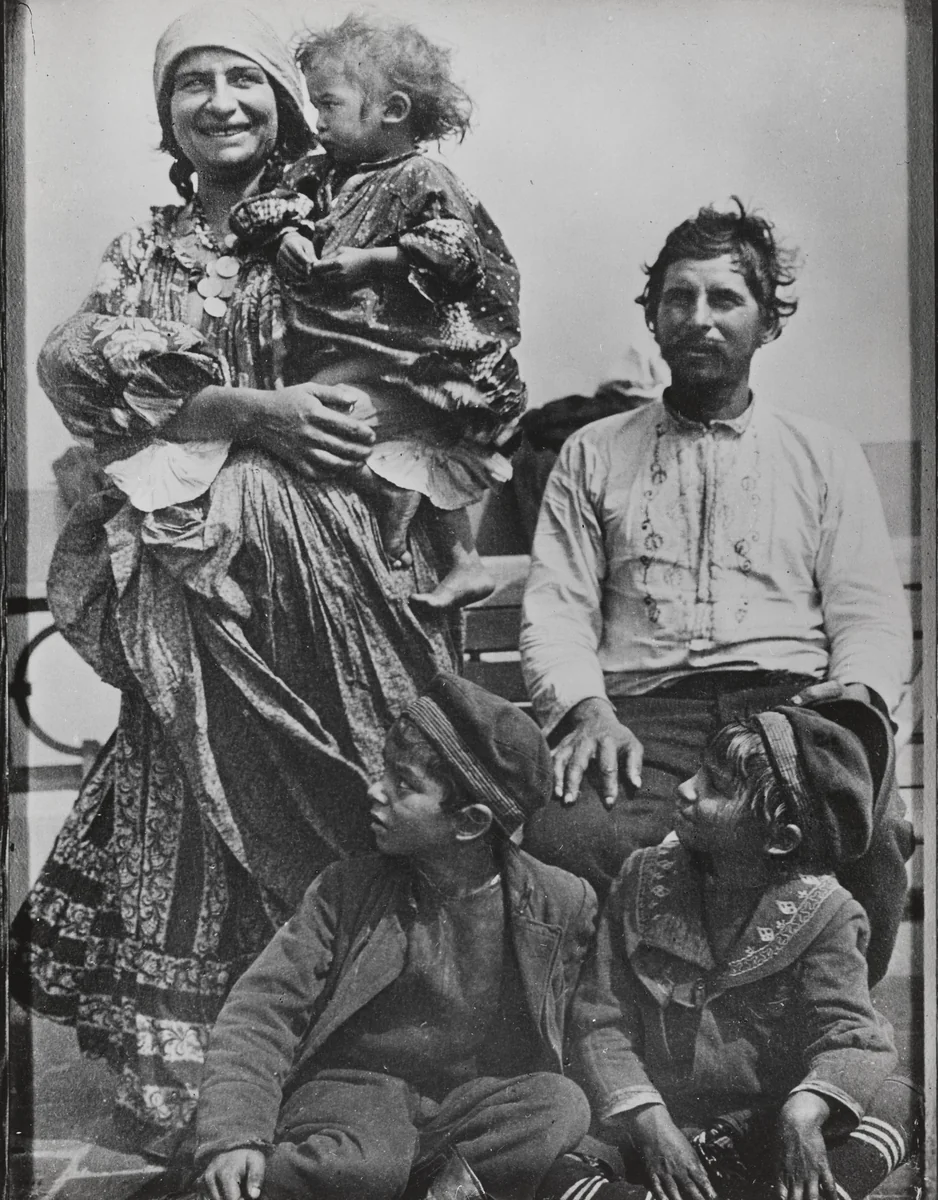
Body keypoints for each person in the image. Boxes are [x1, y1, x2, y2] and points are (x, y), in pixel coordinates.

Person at [10, 6, 459, 1153]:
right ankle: (200, 1085)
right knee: (190, 800)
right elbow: (81, 372)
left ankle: (353, 1065)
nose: (220, 102)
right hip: (185, 580)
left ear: (285, 101)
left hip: (324, 577)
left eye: (243, 79)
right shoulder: (144, 253)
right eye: (192, 83)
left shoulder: (343, 217)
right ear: (167, 115)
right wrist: (248, 410)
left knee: (343, 789)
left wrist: (310, 423)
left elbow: (424, 369)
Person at [519, 198, 913, 984]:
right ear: (654, 317)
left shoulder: (823, 455)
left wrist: (852, 708)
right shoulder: (593, 453)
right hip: (643, 718)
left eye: (725, 298)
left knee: (866, 841)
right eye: (679, 298)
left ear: (767, 322)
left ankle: (825, 1040)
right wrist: (587, 709)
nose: (699, 318)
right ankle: (632, 1038)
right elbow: (557, 610)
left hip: (788, 712)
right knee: (568, 836)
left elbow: (867, 612)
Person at [194, 673, 597, 1200]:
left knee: (560, 1104)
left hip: (463, 1104)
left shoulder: (559, 902)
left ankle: (443, 1192)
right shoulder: (346, 890)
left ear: (471, 823)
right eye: (383, 769)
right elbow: (262, 1009)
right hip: (353, 1096)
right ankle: (241, 1187)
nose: (375, 789)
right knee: (365, 1167)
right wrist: (236, 1134)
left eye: (402, 784)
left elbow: (588, 1024)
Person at [542, 700, 920, 1200]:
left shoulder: (827, 915)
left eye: (715, 786)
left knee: (897, 1102)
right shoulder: (641, 878)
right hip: (660, 1117)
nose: (686, 787)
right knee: (558, 1171)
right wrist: (652, 1125)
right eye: (699, 771)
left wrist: (803, 1112)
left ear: (780, 839)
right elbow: (600, 1019)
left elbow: (851, 1037)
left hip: (767, 1123)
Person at [229, 13, 527, 611]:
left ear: (391, 109)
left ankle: (406, 510)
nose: (317, 121)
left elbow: (458, 254)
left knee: (322, 408)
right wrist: (287, 234)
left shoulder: (422, 177)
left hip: (416, 352)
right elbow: (257, 211)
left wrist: (375, 261)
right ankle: (459, 558)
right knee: (317, 412)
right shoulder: (319, 174)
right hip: (357, 343)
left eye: (329, 104)